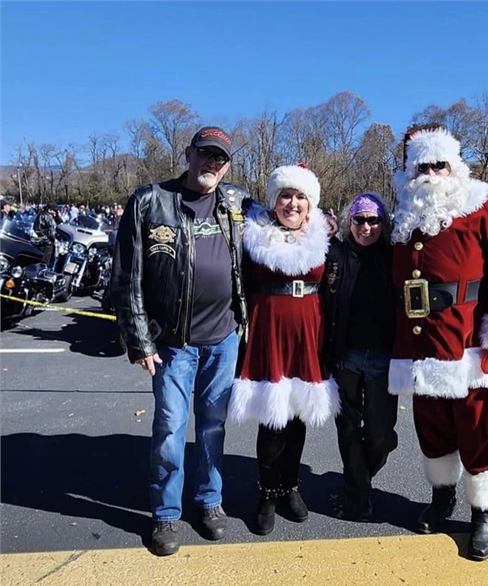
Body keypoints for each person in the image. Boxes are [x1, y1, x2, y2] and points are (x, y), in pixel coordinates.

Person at [389, 125, 488, 561]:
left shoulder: (480, 204)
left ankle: (484, 513)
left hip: (467, 340)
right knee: (432, 426)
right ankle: (442, 498)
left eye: (439, 164)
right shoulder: (405, 210)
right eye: (422, 165)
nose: (431, 173)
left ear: (454, 165)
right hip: (420, 342)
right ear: (410, 170)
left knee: (476, 429)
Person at [110, 126, 252, 557]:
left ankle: (209, 501)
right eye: (205, 154)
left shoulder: (237, 203)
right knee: (170, 428)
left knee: (213, 426)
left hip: (224, 338)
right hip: (172, 343)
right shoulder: (150, 201)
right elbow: (126, 276)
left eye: (220, 159)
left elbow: (285, 223)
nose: (212, 163)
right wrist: (139, 340)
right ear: (188, 153)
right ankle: (166, 512)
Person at [228, 164, 339, 536]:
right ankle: (266, 494)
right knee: (273, 420)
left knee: (298, 417)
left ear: (311, 204)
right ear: (274, 201)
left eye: (300, 197)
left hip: (309, 332)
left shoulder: (325, 238)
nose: (292, 203)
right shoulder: (252, 234)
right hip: (268, 332)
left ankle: (291, 486)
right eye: (285, 196)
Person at [322, 192, 398, 522]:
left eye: (373, 220)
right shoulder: (335, 255)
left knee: (381, 433)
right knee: (349, 429)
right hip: (346, 355)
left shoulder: (395, 256)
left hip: (384, 358)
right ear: (348, 222)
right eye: (359, 220)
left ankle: (361, 475)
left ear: (383, 223)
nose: (366, 226)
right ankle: (358, 495)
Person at [33, 202, 58, 267]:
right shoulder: (42, 215)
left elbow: (58, 225)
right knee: (45, 259)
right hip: (45, 242)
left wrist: (57, 216)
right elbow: (38, 230)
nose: (55, 212)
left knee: (52, 258)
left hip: (52, 240)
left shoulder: (51, 216)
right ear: (49, 209)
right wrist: (47, 241)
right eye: (54, 210)